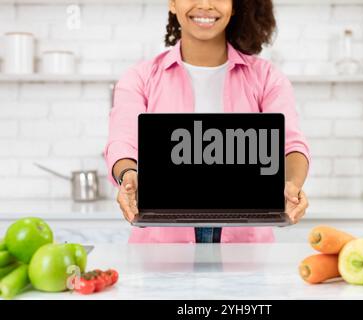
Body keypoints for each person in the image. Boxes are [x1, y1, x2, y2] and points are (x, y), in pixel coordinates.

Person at [104, 0, 310, 244]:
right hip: (162, 243)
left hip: (246, 243)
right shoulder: (140, 78)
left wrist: (291, 184)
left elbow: (291, 146)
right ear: (172, 3)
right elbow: (123, 144)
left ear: (234, 6)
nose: (205, 4)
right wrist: (128, 175)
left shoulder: (267, 78)